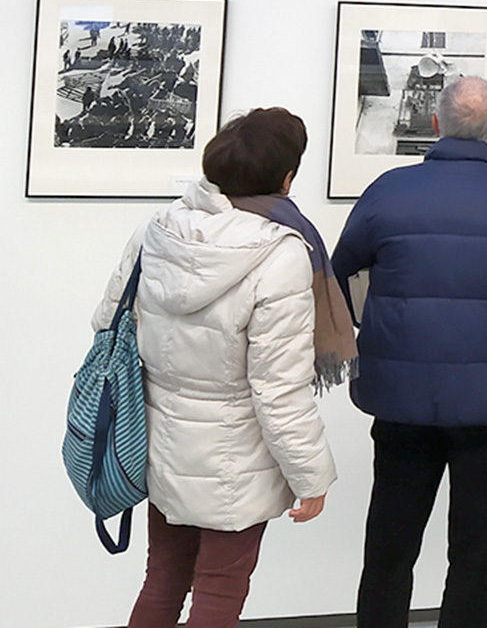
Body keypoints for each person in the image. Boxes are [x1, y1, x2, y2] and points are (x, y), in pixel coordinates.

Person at [92, 107, 356, 628]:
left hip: (161, 443)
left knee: (162, 579)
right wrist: (312, 476)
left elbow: (107, 322)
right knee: (219, 592)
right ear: (286, 178)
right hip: (236, 459)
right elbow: (279, 390)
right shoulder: (281, 254)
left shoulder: (157, 230)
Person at [331, 76, 487, 628]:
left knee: (389, 545)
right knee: (476, 551)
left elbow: (339, 274)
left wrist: (384, 321)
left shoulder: (388, 189)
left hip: (401, 395)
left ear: (435, 124)